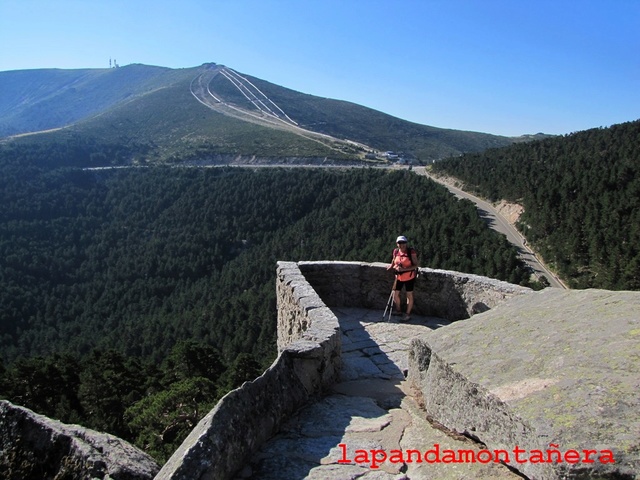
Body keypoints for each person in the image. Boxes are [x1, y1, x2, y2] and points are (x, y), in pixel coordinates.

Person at [387, 235, 419, 321]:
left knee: (409, 295)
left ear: (406, 243)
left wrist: (404, 269)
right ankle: (398, 310)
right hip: (398, 277)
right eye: (400, 243)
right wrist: (392, 266)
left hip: (409, 277)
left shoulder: (410, 252)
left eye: (404, 242)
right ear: (397, 244)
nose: (402, 244)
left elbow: (416, 265)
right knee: (395, 294)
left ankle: (408, 314)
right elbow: (394, 260)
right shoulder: (396, 251)